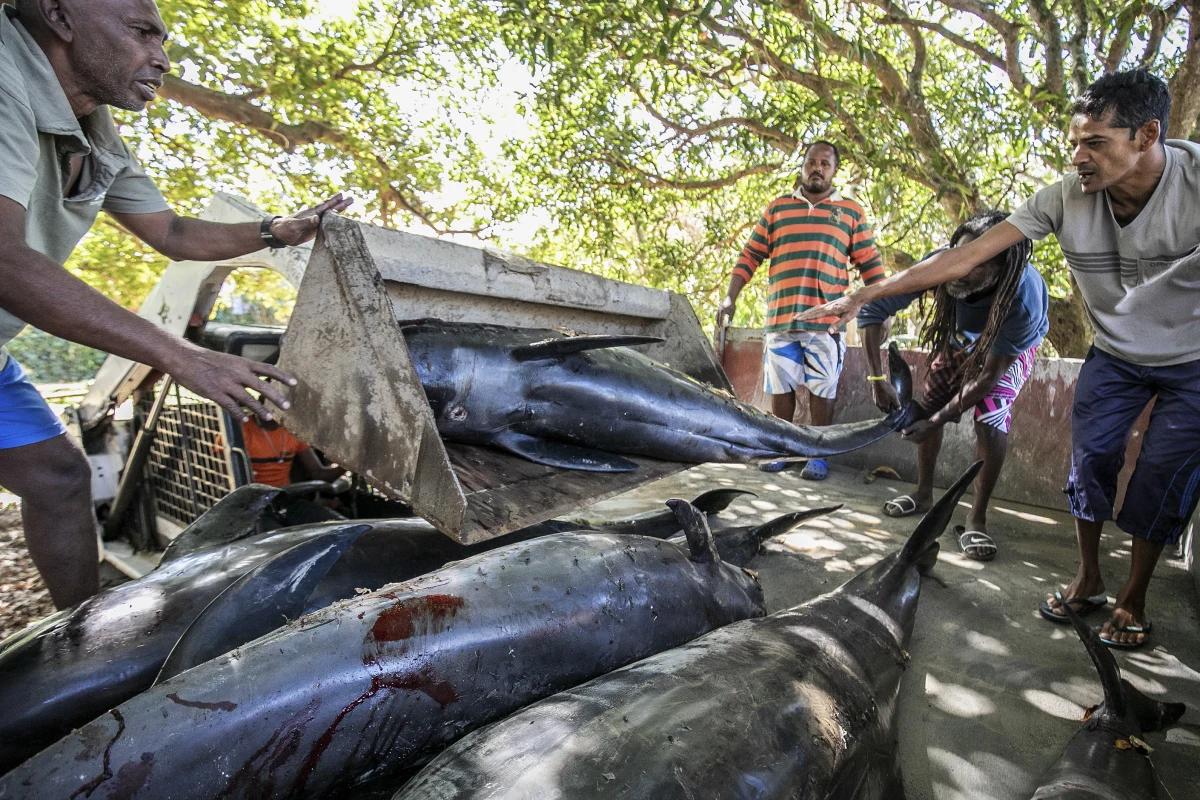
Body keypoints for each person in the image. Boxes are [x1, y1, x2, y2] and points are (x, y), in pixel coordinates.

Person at [796, 69, 1199, 649]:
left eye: (1095, 144)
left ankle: (1132, 597)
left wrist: (941, 414)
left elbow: (992, 375)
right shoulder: (1063, 198)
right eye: (1074, 143)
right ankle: (1087, 578)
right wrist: (866, 294)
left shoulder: (1193, 186)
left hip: (1190, 361)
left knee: (1159, 478)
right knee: (1091, 462)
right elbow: (965, 257)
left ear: (1147, 134)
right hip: (1114, 353)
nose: (1079, 157)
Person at [0, 0, 352, 608]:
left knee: (58, 477)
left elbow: (173, 235)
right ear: (59, 17)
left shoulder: (94, 127)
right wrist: (184, 358)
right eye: (142, 34)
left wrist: (274, 230)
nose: (161, 58)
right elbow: (4, 262)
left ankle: (80, 646)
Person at [857, 210, 1048, 560]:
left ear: (1000, 269)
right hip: (962, 336)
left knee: (989, 420)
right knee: (929, 403)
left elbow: (989, 378)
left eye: (974, 263)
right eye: (957, 256)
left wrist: (938, 420)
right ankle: (923, 494)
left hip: (1009, 347)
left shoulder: (1023, 297)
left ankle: (977, 518)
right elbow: (872, 309)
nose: (958, 269)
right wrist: (876, 379)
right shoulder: (942, 265)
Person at [716, 140, 886, 480]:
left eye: (825, 163)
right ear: (802, 166)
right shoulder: (778, 209)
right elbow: (749, 256)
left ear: (834, 171)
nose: (817, 168)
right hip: (781, 319)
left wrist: (880, 308)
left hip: (826, 322)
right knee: (781, 389)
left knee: (823, 390)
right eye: (812, 161)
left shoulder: (850, 212)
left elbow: (872, 267)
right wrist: (730, 298)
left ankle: (817, 454)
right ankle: (783, 449)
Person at [239, 418, 343, 488]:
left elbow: (318, 473)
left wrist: (348, 466)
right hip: (252, 503)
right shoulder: (240, 431)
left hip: (286, 498)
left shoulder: (293, 431)